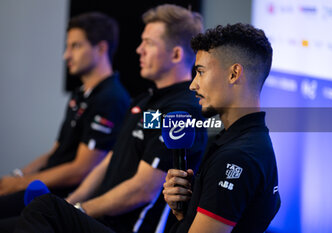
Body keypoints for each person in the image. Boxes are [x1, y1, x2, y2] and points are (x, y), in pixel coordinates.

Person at [12, 4, 207, 233]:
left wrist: (80, 210)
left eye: (149, 43)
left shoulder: (182, 110)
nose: (139, 50)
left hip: (128, 228)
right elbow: (109, 160)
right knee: (38, 212)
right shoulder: (147, 102)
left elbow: (142, 189)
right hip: (104, 221)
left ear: (176, 54)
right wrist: (72, 202)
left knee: (43, 209)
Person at [0, 12, 130, 219]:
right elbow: (55, 151)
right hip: (46, 187)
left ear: (101, 48)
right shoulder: (80, 94)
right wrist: (18, 175)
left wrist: (18, 184)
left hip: (65, 196)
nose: (66, 55)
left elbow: (82, 169)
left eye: (76, 46)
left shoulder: (111, 98)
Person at [163, 23, 281, 233]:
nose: (193, 85)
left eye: (200, 72)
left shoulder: (238, 156)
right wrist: (186, 212)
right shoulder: (243, 141)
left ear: (234, 74)